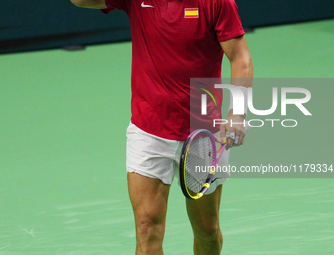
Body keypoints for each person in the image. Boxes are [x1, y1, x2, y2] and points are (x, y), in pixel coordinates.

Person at [70, 0, 253, 254]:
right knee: (147, 229)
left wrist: (238, 113)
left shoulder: (217, 3)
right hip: (149, 131)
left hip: (202, 134)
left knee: (207, 231)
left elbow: (240, 57)